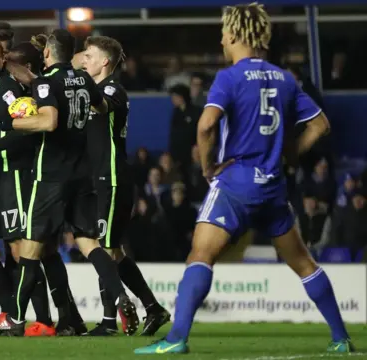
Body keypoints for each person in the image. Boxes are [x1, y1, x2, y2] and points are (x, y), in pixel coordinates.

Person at [135, 3, 353, 354]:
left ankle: (176, 339)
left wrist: (208, 168)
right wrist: (291, 154)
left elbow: (206, 125)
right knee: (303, 263)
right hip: (273, 186)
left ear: (234, 35)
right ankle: (341, 339)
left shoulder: (229, 77)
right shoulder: (284, 78)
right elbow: (320, 125)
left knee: (200, 256)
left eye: (224, 33)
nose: (222, 39)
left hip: (236, 182)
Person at [0, 29, 140, 336]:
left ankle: (16, 318)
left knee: (30, 248)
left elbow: (48, 120)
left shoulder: (48, 84)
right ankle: (120, 296)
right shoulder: (83, 79)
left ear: (47, 53)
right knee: (91, 245)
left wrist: (14, 122)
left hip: (50, 177)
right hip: (83, 174)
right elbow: (98, 106)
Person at [0, 38, 66, 337]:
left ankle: (41, 320)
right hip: (1, 178)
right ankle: (15, 311)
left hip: (18, 176)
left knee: (22, 248)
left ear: (3, 59)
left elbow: (30, 126)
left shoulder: (8, 89)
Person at [78, 35, 170, 336]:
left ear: (105, 62)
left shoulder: (113, 89)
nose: (84, 60)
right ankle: (154, 309)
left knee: (105, 251)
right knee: (113, 252)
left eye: (89, 56)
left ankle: (109, 321)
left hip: (113, 179)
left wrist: (77, 77)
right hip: (100, 179)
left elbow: (102, 106)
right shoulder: (95, 87)